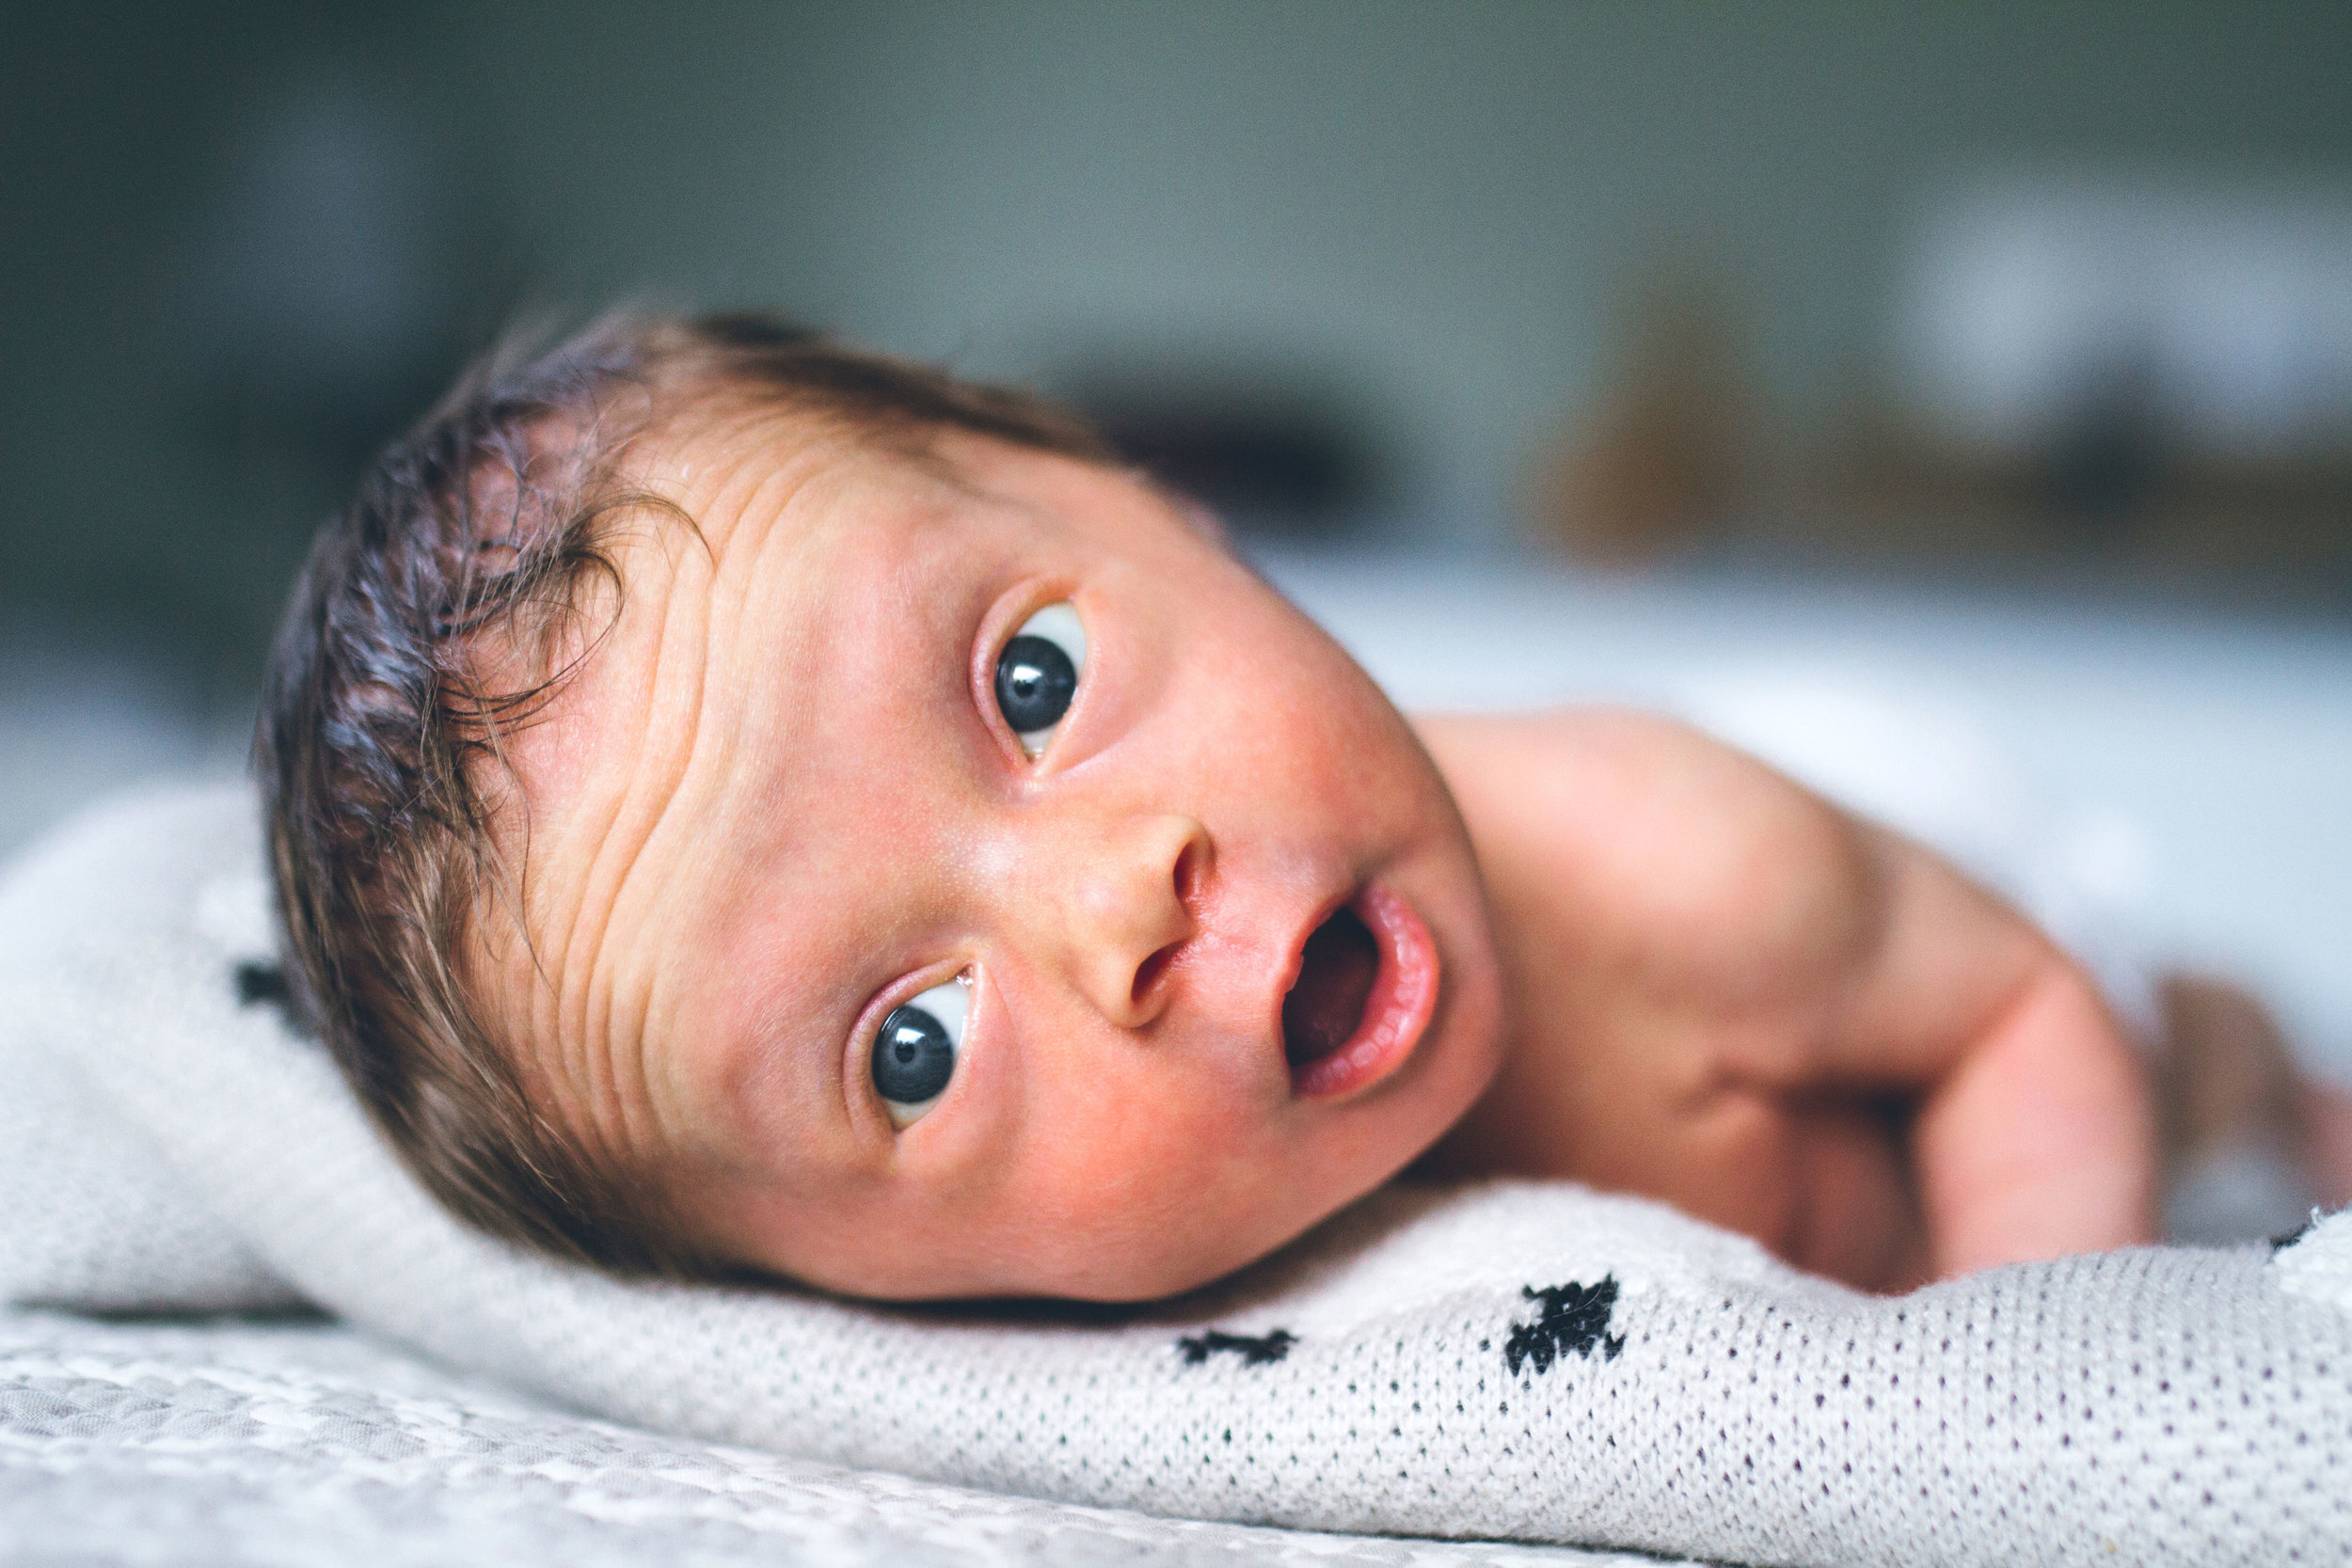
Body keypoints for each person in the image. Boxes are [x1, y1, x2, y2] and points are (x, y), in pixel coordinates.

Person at [259, 311, 2352, 1302]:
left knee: (2179, 1030)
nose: (1112, 909)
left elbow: (2011, 1027)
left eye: (1033, 682)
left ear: (1151, 504)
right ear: (829, 1289)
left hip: (1952, 923)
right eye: (910, 1042)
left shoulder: (1680, 857)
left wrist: (1996, 1380)